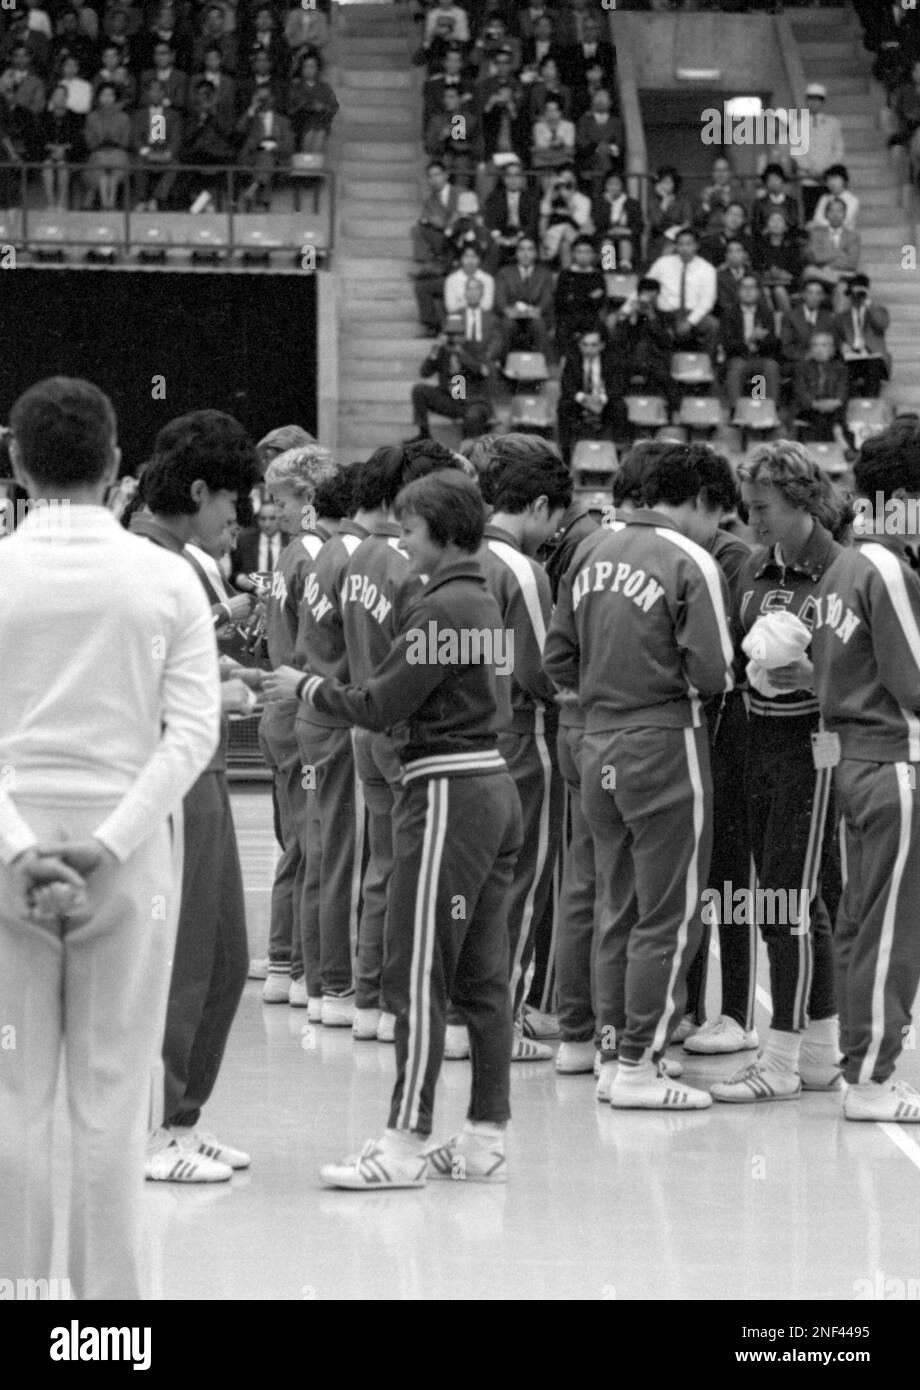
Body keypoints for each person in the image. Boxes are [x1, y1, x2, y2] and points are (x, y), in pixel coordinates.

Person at [0, 376, 220, 1297]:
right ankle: (101, 1331)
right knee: (112, 1095)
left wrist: (20, 845)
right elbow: (195, 732)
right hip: (129, 859)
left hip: (7, 849)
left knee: (11, 1097)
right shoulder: (165, 578)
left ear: (15, 462)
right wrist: (113, 839)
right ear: (119, 466)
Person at [266, 471, 523, 1188]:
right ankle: (483, 1135)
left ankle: (404, 1142)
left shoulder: (444, 608)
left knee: (417, 971)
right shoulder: (483, 598)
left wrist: (306, 687)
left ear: (442, 533)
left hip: (447, 790)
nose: (400, 543)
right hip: (490, 783)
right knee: (481, 975)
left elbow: (380, 703)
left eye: (409, 531)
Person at [543, 443, 735, 1109]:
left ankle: (610, 1048)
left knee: (614, 904)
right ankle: (638, 1064)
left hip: (594, 740)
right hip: (664, 742)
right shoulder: (690, 560)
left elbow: (556, 659)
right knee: (670, 912)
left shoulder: (588, 554)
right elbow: (714, 673)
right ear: (698, 501)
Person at [130, 410, 260, 1182]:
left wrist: (226, 680)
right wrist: (227, 696)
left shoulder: (179, 563)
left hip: (203, 774)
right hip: (174, 780)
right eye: (231, 505)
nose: (238, 522)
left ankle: (180, 1117)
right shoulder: (156, 564)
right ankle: (149, 1129)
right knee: (180, 961)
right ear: (201, 490)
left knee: (224, 959)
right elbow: (146, 690)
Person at [709, 441, 847, 1105]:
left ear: (800, 500)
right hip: (758, 737)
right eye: (748, 507)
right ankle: (820, 1053)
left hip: (815, 746)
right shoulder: (758, 568)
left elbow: (878, 671)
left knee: (788, 900)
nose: (753, 519)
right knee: (795, 896)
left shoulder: (844, 572)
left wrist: (817, 679)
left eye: (763, 508)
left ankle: (782, 1058)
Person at [810, 421, 920, 1120]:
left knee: (860, 922)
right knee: (891, 929)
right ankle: (875, 1080)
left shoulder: (846, 562)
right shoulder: (888, 568)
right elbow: (916, 683)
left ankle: (860, 1065)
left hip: (849, 760)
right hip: (893, 764)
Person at [339, 444, 465, 1041]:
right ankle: (395, 1004)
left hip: (365, 724)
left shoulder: (360, 554)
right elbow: (426, 655)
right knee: (411, 875)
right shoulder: (412, 568)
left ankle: (368, 1000)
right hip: (403, 729)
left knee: (381, 870)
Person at [478, 437, 572, 1057]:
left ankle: (466, 1016)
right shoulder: (522, 570)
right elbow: (543, 670)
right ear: (538, 504)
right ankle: (499, 1023)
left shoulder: (455, 552)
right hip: (524, 738)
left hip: (467, 738)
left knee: (476, 883)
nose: (557, 531)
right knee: (522, 882)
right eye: (557, 517)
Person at [257, 446, 339, 1005]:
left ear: (308, 498)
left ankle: (288, 961)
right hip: (301, 709)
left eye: (281, 500)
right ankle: (298, 965)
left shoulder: (293, 554)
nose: (273, 510)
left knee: (300, 842)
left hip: (282, 713)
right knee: (310, 844)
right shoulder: (314, 553)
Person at [408, 315, 493, 441]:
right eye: (451, 335)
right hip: (450, 399)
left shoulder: (474, 348)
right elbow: (424, 373)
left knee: (472, 415)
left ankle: (470, 447)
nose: (456, 338)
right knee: (419, 390)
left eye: (459, 334)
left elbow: (483, 372)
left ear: (465, 334)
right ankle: (424, 434)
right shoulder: (442, 350)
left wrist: (461, 355)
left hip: (473, 401)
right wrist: (434, 352)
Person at [646, 225, 719, 357]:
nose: (684, 248)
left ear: (697, 246)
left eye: (689, 244)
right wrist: (626, 309)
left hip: (693, 314)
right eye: (680, 244)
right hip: (666, 315)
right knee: (645, 321)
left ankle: (706, 367)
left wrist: (690, 322)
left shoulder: (707, 269)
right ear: (675, 246)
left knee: (712, 325)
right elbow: (645, 287)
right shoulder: (663, 263)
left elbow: (707, 301)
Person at [721, 271, 782, 409]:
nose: (748, 292)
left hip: (760, 357)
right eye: (744, 288)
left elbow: (773, 344)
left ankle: (766, 410)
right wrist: (750, 340)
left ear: (759, 292)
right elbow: (728, 345)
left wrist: (761, 341)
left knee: (770, 367)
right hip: (738, 358)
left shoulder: (766, 314)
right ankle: (736, 412)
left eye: (752, 288)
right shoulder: (730, 314)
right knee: (737, 367)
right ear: (738, 292)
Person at [791, 82, 845, 222]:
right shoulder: (798, 123)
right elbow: (796, 150)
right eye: (810, 99)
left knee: (830, 215)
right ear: (806, 101)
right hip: (807, 178)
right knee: (810, 216)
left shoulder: (833, 123)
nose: (813, 103)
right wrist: (809, 169)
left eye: (817, 100)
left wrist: (825, 169)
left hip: (828, 179)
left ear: (823, 102)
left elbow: (838, 150)